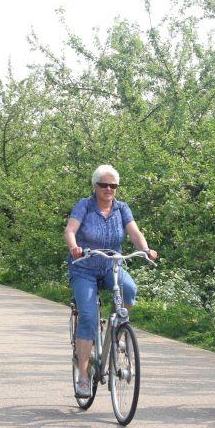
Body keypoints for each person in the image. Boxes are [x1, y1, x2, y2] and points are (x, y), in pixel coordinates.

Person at [64, 164, 158, 398]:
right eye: (103, 185)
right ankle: (84, 376)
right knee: (88, 316)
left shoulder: (121, 208)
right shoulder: (84, 206)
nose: (108, 189)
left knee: (129, 289)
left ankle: (115, 336)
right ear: (95, 186)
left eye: (113, 186)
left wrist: (145, 250)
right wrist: (74, 247)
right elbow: (70, 230)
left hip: (110, 265)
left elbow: (134, 232)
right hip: (84, 266)